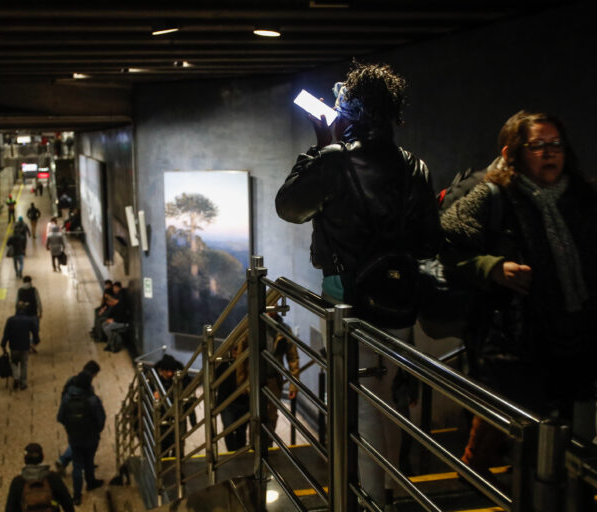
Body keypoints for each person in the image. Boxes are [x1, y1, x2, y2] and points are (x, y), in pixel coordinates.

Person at [275, 61, 441, 505]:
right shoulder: (415, 166)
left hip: (347, 303)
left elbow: (289, 207)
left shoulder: (334, 161)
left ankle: (372, 497)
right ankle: (387, 485)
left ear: (347, 114)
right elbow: (430, 240)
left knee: (363, 399)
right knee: (389, 393)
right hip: (400, 304)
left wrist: (321, 147)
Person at [440, 111, 597, 474]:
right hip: (517, 340)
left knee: (565, 445)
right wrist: (491, 267)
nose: (548, 153)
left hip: (576, 340)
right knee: (525, 432)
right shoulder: (495, 195)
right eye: (537, 145)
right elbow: (446, 246)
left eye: (555, 144)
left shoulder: (581, 197)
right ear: (514, 152)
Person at [234, 312, 300, 446]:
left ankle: (267, 446)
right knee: (256, 414)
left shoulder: (284, 330)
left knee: (271, 416)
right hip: (254, 378)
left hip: (273, 380)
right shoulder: (251, 328)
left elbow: (293, 358)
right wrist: (241, 382)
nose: (271, 311)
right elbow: (241, 357)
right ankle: (255, 446)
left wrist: (294, 385)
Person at [57, 370, 105, 504]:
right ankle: (91, 482)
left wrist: (70, 429)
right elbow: (101, 420)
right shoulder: (92, 400)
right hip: (91, 438)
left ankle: (77, 495)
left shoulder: (67, 398)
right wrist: (96, 431)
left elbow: (60, 417)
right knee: (89, 460)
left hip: (74, 438)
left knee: (77, 465)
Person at [55, 361, 101, 475]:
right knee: (80, 443)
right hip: (82, 419)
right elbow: (92, 404)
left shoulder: (72, 380)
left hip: (70, 417)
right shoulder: (86, 386)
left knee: (77, 441)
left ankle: (84, 462)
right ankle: (64, 460)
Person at [5, 442, 74, 512]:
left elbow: (10, 508)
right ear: (43, 456)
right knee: (54, 502)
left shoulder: (18, 482)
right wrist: (54, 503)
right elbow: (67, 503)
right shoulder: (53, 478)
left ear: (25, 459)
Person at [153, 354, 197, 457]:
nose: (170, 374)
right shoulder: (153, 377)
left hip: (178, 416)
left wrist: (193, 419)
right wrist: (153, 395)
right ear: (161, 370)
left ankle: (177, 469)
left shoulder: (183, 377)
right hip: (162, 417)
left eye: (171, 371)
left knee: (178, 446)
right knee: (163, 447)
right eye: (167, 371)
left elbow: (189, 398)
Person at [215, 348, 249, 451]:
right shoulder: (222, 364)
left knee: (241, 430)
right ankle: (231, 452)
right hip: (226, 403)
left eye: (237, 350)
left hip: (243, 402)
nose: (236, 353)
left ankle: (240, 453)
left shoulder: (246, 364)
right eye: (234, 350)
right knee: (228, 428)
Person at [0, 308, 40, 390]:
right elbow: (35, 331)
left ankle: (16, 378)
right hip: (25, 347)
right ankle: (23, 383)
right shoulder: (28, 320)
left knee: (14, 363)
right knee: (24, 364)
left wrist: (3, 345)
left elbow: (6, 334)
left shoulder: (10, 321)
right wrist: (36, 340)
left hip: (14, 347)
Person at [102, 281, 129, 352]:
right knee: (104, 324)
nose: (113, 289)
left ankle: (112, 344)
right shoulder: (117, 298)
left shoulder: (121, 301)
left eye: (114, 287)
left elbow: (120, 317)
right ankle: (112, 340)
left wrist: (113, 320)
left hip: (122, 322)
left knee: (107, 329)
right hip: (117, 319)